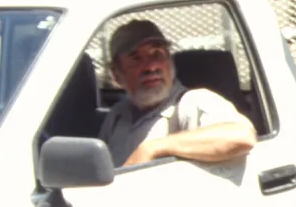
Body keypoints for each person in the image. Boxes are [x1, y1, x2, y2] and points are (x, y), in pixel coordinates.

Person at [98, 19, 257, 167]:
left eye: (157, 54)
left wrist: (153, 148)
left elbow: (242, 136)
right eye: (136, 58)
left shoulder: (191, 102)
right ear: (117, 73)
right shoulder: (118, 115)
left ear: (169, 62)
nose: (151, 66)